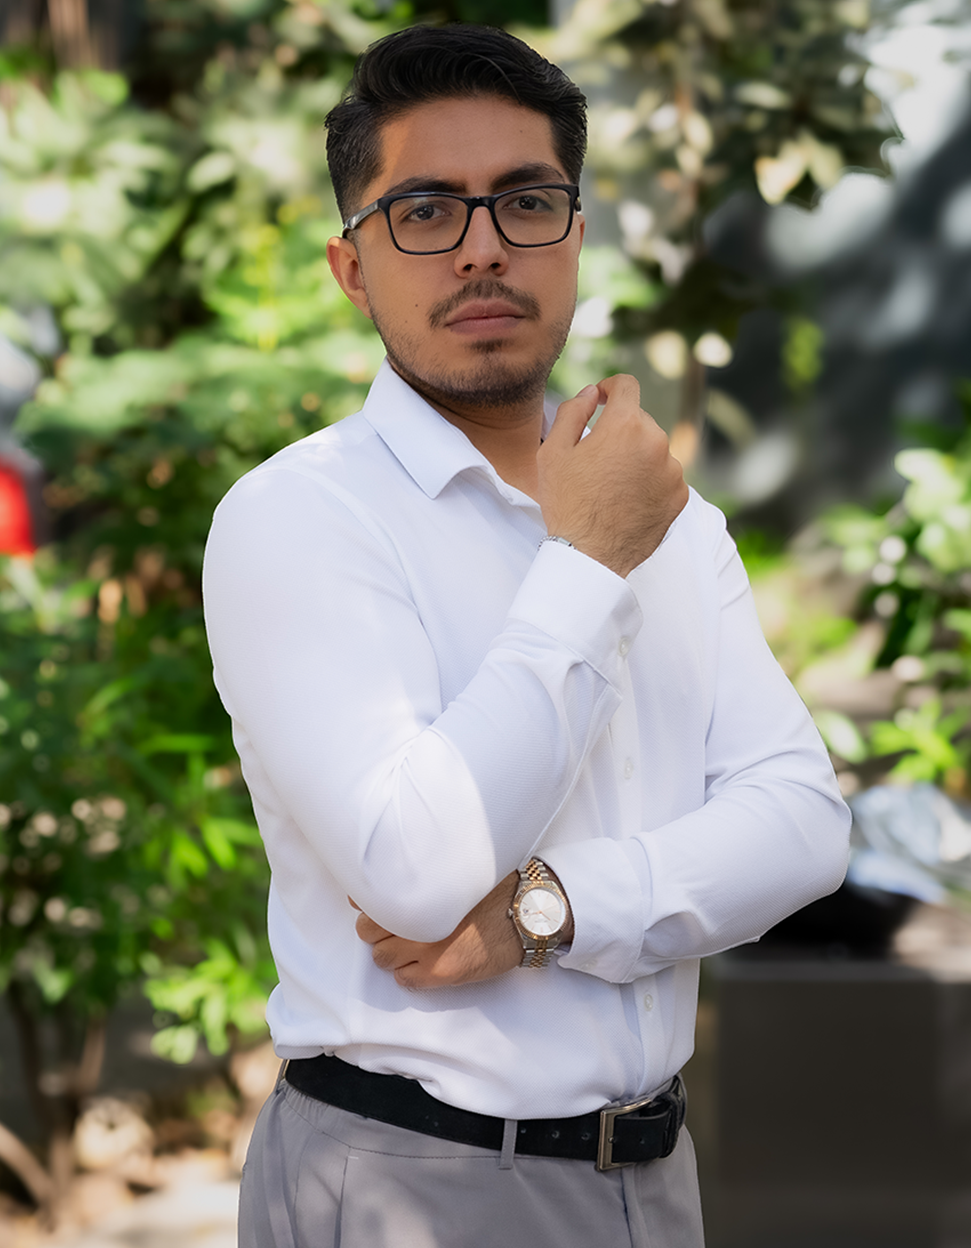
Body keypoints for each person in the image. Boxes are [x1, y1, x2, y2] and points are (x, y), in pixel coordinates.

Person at [202, 23, 850, 1248]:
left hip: (653, 1176)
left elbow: (801, 822)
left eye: (525, 201)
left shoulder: (667, 514)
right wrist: (586, 564)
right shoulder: (299, 516)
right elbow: (412, 866)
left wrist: (546, 911)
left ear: (575, 235)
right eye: (423, 212)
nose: (483, 246)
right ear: (351, 269)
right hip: (413, 1176)